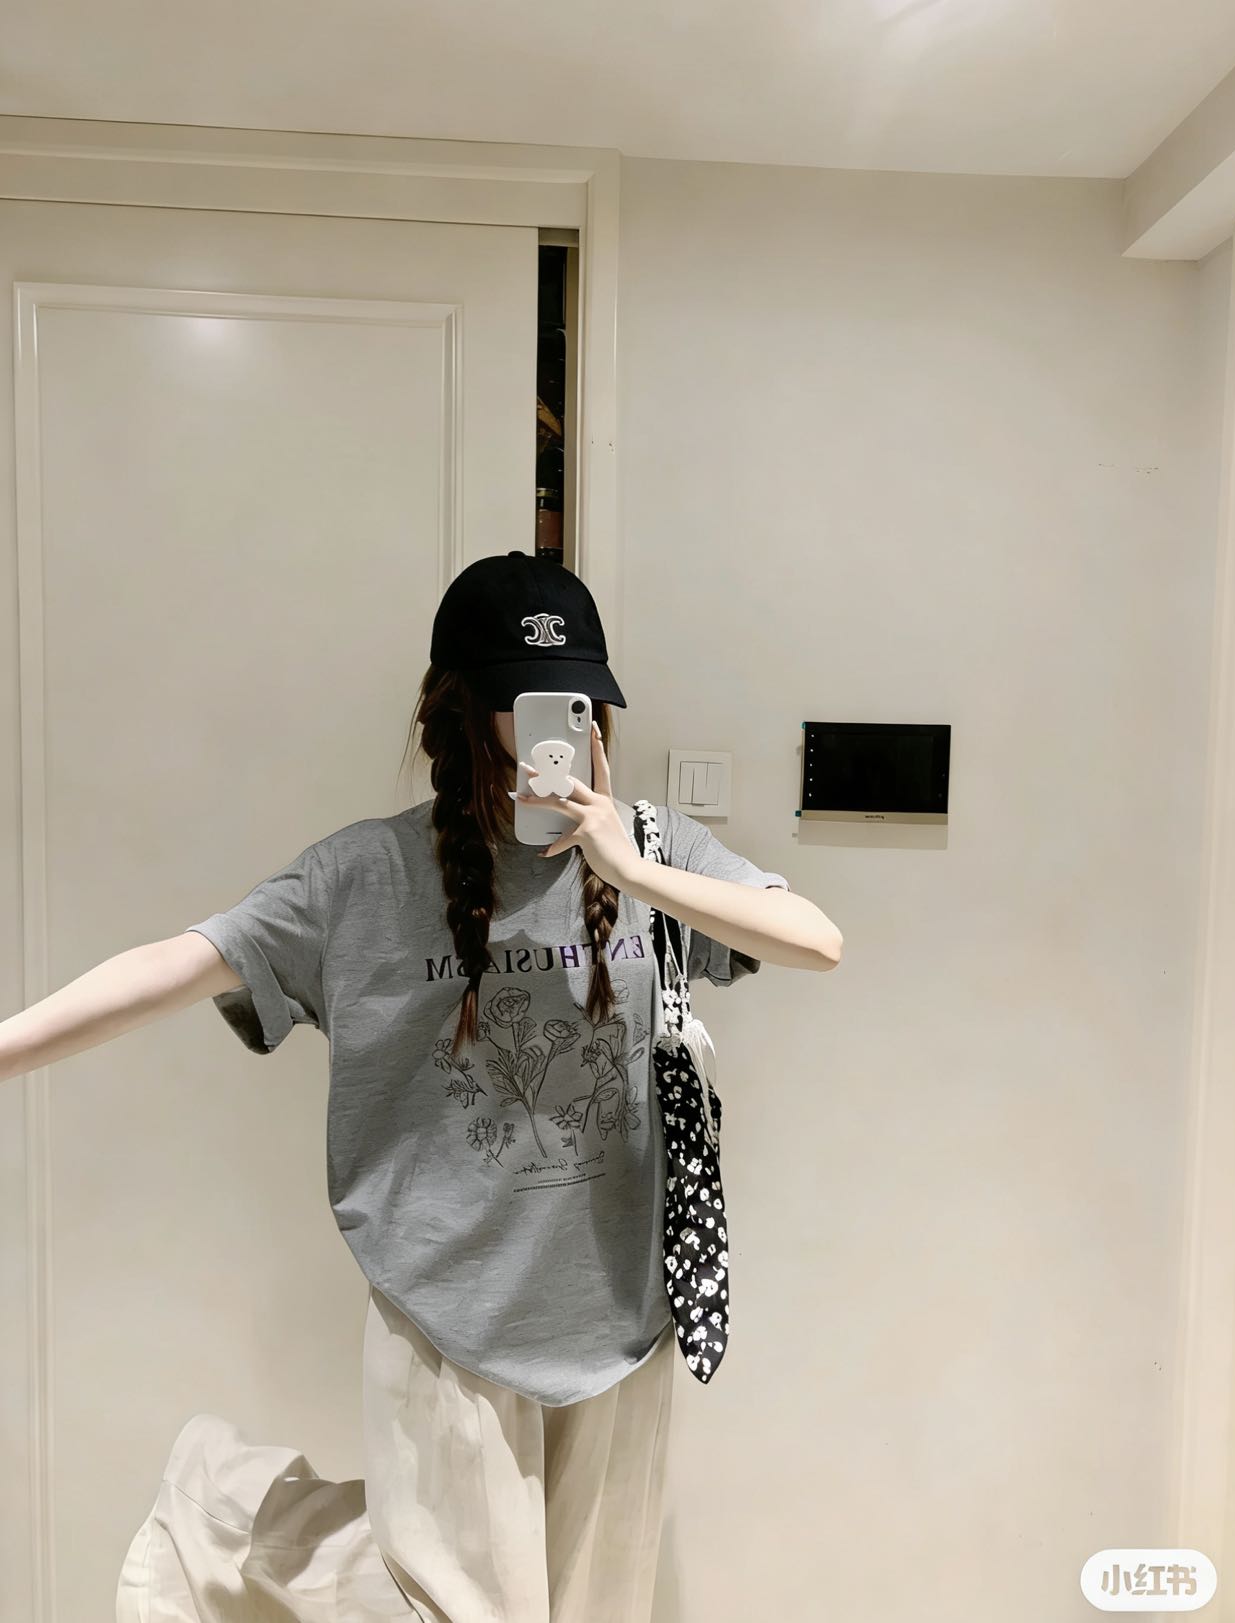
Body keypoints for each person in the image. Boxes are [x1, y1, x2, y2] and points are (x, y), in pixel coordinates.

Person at [0, 549, 843, 1623]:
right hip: (452, 1314)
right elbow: (180, 962)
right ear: (463, 712)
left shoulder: (653, 852)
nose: (562, 729)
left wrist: (631, 872)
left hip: (622, 1319)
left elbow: (816, 940)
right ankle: (220, 1516)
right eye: (530, 703)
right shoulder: (363, 876)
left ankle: (236, 1523)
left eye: (580, 701)